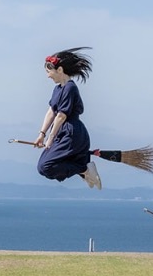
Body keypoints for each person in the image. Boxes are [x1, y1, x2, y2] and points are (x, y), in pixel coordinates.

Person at [33, 47, 102, 189]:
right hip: (60, 132)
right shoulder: (57, 89)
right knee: (42, 168)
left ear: (59, 70)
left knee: (46, 166)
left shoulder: (70, 88)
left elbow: (61, 116)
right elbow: (51, 111)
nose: (48, 76)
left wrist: (50, 139)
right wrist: (41, 134)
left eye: (49, 71)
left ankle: (84, 170)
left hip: (71, 133)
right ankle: (84, 171)